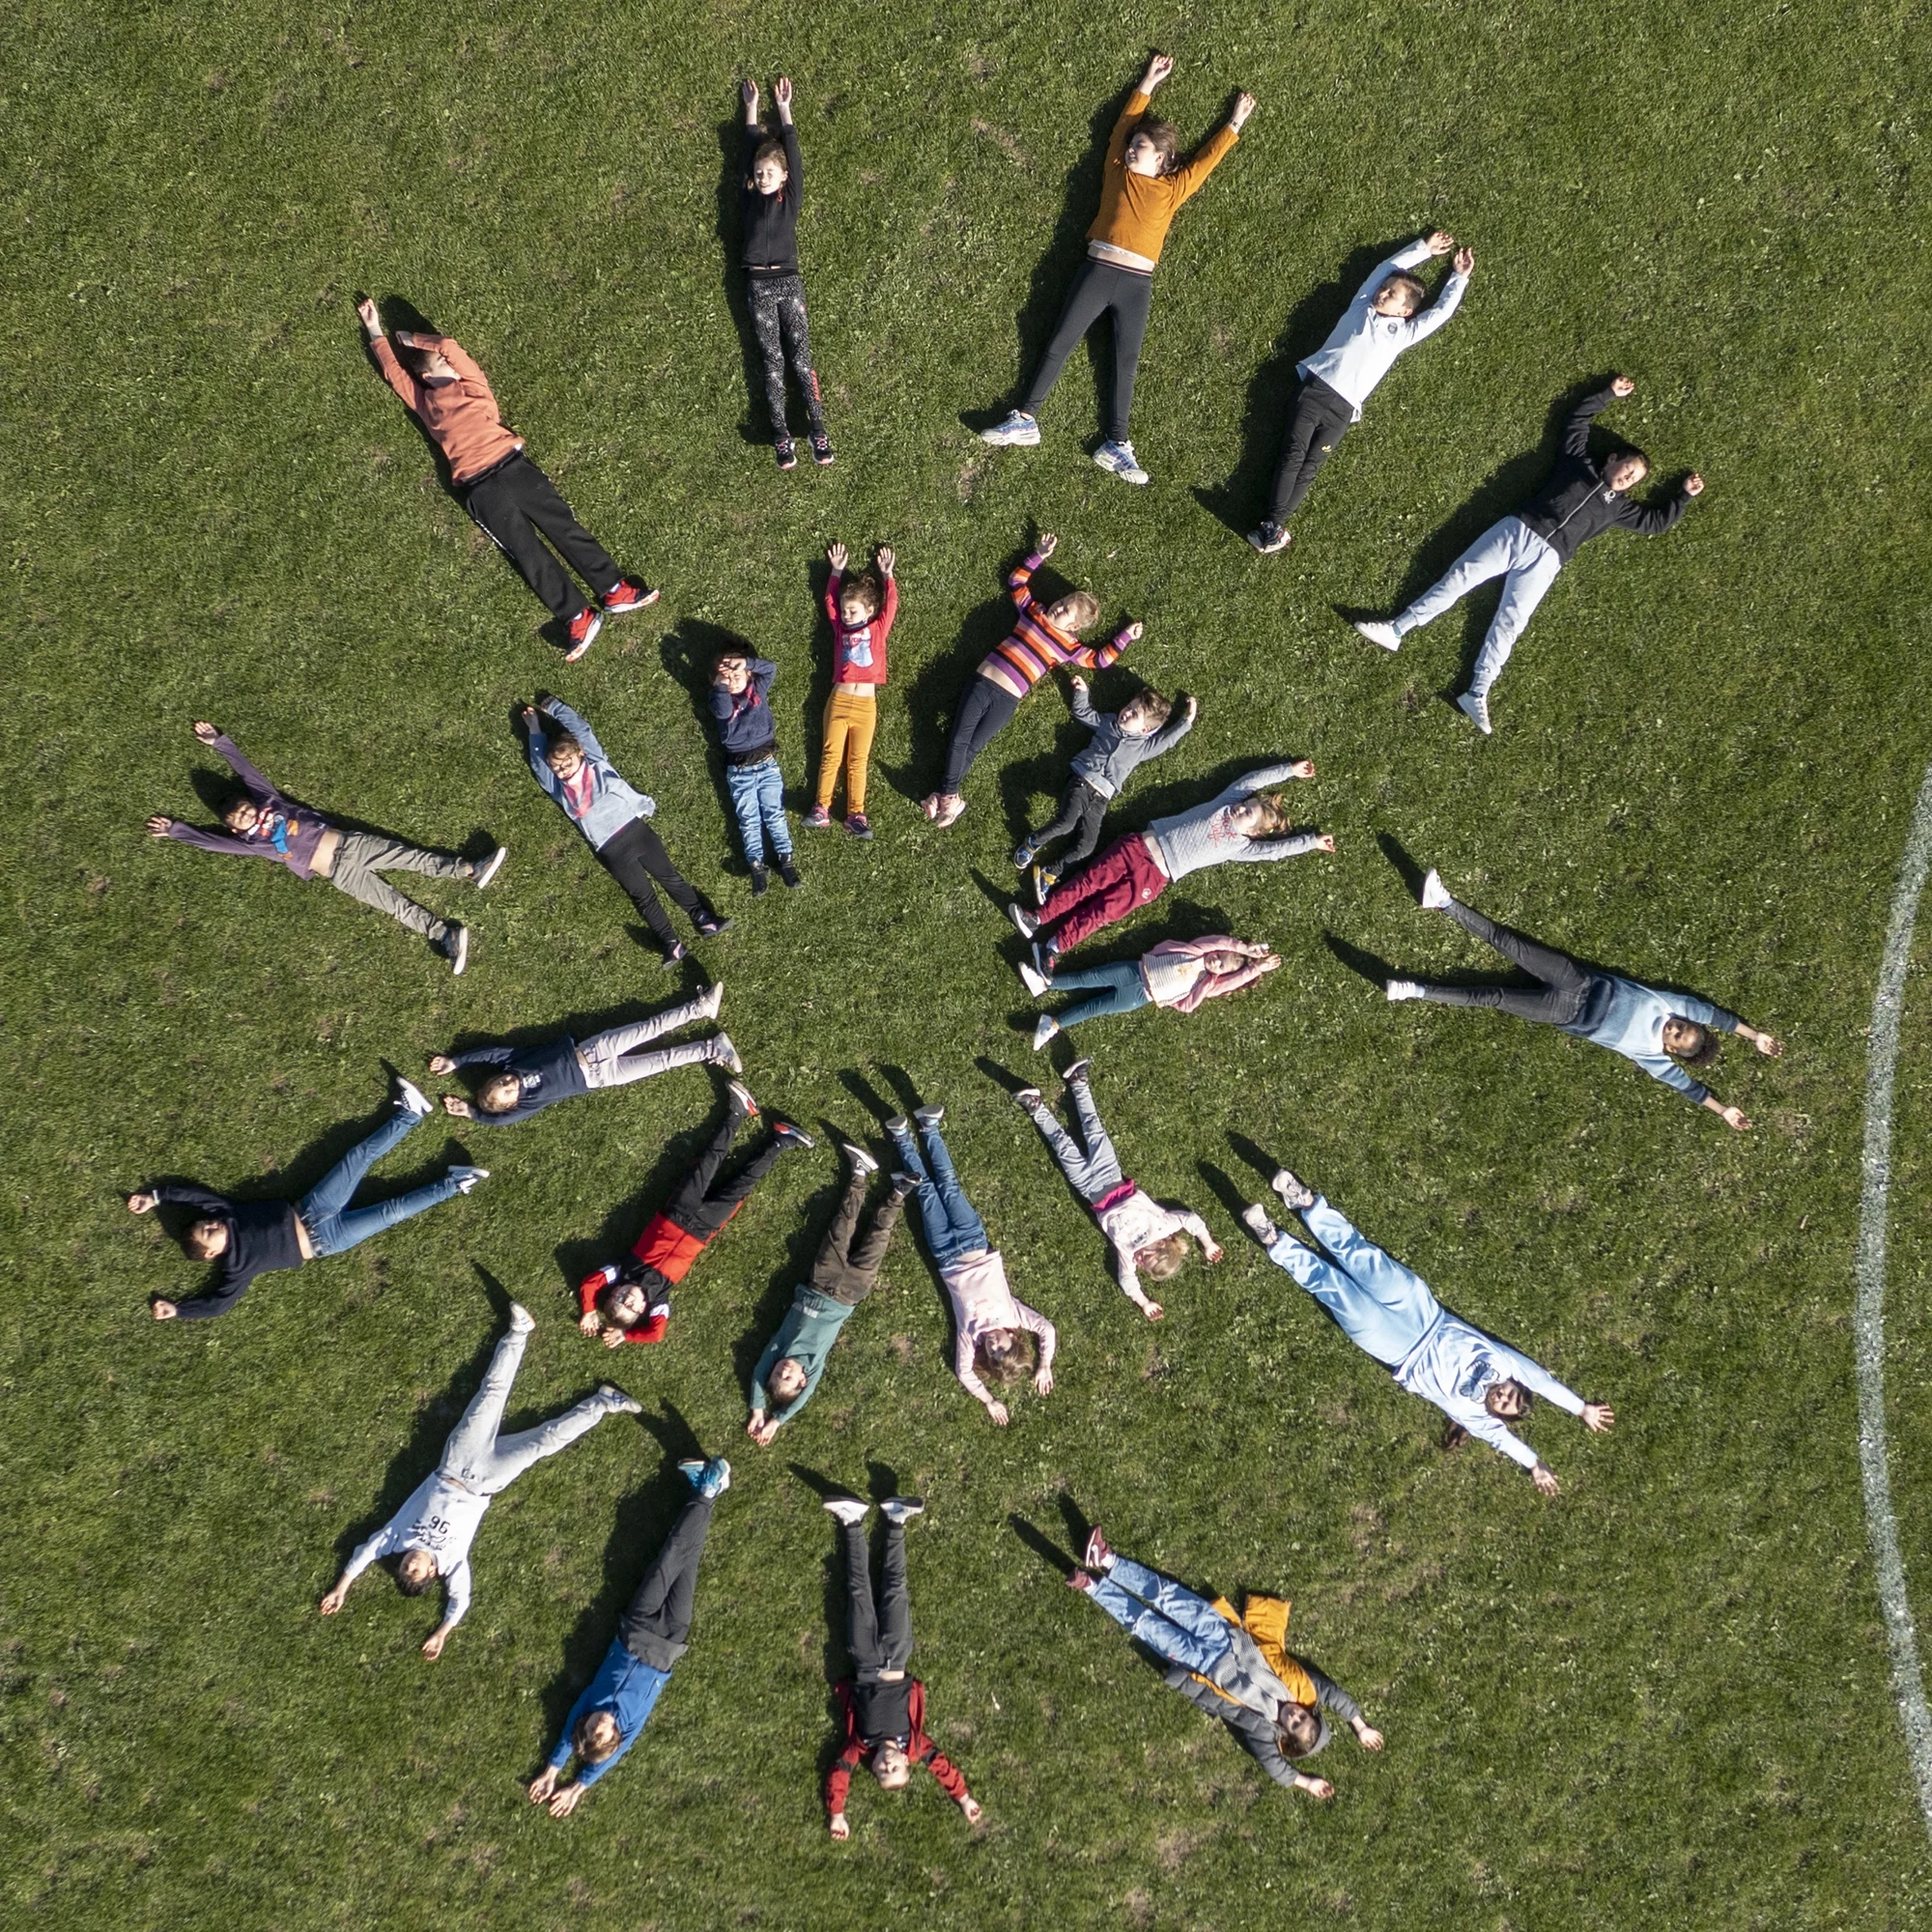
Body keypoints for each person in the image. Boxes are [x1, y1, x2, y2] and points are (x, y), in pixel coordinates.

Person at [1350, 376, 1705, 733]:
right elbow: (1577, 421)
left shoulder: (1620, 509)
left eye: (1635, 480)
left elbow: (1655, 523)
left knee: (1511, 622)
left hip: (1548, 561)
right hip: (1518, 530)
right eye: (1628, 470)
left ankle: (1477, 691)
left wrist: (1683, 497)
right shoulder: (1577, 462)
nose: (1628, 480)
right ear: (1612, 458)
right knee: (1460, 578)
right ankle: (1397, 629)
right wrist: (1607, 394)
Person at [1240, 1171, 1614, 1492]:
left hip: (1399, 1352)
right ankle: (1302, 1200)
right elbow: (1543, 1382)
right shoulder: (1503, 1364)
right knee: (1361, 1256)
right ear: (1513, 1383)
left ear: (1499, 1416)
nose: (1502, 1396)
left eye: (1504, 1406)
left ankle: (1275, 1241)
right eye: (1511, 1393)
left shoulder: (1479, 1420)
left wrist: (1534, 1464)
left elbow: (1507, 1444)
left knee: (1339, 1293)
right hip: (1425, 1313)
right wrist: (1581, 1408)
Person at [980, 53, 1254, 485]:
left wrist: (1233, 124)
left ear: (1162, 158)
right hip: (1097, 272)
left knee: (1125, 363)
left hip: (1137, 285)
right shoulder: (1115, 171)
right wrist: (1147, 83)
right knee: (1059, 343)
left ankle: (1117, 443)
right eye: (1132, 144)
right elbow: (1123, 126)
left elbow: (1205, 163)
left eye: (1140, 146)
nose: (1130, 148)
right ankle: (1026, 419)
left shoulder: (1173, 188)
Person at [320, 1303, 640, 1656]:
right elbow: (461, 1600)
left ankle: (519, 1332)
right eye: (415, 1572)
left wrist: (341, 1588)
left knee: (491, 1394)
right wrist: (442, 1632)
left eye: (404, 1569)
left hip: (454, 1463)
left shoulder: (396, 1538)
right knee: (546, 1441)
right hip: (487, 1481)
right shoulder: (453, 1564)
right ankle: (603, 1403)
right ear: (431, 1574)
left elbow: (364, 1554)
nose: (409, 1565)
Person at [355, 299, 655, 661]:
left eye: (451, 362)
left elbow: (448, 345)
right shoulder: (424, 401)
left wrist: (410, 337)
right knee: (527, 553)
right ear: (427, 375)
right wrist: (374, 331)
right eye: (442, 364)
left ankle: (614, 589)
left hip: (513, 467)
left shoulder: (473, 386)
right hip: (479, 488)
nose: (452, 364)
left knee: (564, 527)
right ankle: (578, 616)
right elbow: (394, 374)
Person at [1384, 868, 1782, 1127]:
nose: (1676, 1028)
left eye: (1677, 1036)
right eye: (1683, 1025)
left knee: (1493, 996)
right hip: (1578, 983)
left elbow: (1688, 1088)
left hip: (1563, 1012)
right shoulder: (1667, 1006)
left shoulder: (1653, 1057)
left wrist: (1723, 1110)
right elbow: (1713, 1014)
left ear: (1672, 1050)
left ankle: (1414, 991)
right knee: (1508, 942)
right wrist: (1754, 1035)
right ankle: (1443, 902)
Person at [148, 721, 501, 975]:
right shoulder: (252, 843)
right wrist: (177, 831)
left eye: (243, 807)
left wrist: (220, 742)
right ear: (233, 828)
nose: (244, 814)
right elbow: (212, 843)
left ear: (250, 803)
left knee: (410, 857)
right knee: (393, 904)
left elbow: (247, 773)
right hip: (337, 873)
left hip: (352, 844)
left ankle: (470, 870)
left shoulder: (269, 800)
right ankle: (445, 936)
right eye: (237, 818)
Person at [1065, 1526, 1383, 1799]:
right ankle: (1106, 1560)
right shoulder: (1304, 1689)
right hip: (1223, 1632)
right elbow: (1334, 1695)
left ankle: (1092, 1587)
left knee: (1145, 1625)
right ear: (1309, 1711)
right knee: (1166, 1595)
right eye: (1304, 1716)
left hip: (1200, 1664)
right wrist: (1359, 1725)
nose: (1295, 1715)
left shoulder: (1263, 1731)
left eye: (1294, 1725)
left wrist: (1306, 1782)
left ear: (1286, 1734)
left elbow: (1274, 1766)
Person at [129, 1076, 483, 1321]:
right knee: (393, 1211)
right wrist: (179, 1310)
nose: (212, 1224)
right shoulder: (237, 1268)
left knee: (357, 1158)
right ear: (211, 1253)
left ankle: (410, 1115)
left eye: (206, 1222)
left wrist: (157, 1197)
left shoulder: (228, 1212)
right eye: (208, 1232)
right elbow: (218, 1305)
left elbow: (195, 1196)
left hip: (314, 1208)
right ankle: (455, 1184)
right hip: (328, 1241)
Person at [528, 1455, 732, 1815]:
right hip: (669, 1640)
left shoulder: (590, 1705)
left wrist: (552, 1771)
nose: (600, 1723)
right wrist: (578, 1787)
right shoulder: (630, 1724)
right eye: (602, 1733)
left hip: (636, 1626)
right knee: (689, 1561)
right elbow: (612, 1755)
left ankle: (707, 1490)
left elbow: (570, 1734)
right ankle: (707, 1491)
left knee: (670, 1557)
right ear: (613, 1738)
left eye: (591, 1726)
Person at [1249, 232, 1473, 554]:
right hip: (1316, 390)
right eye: (1384, 288)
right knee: (1293, 454)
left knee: (1310, 467)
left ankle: (1273, 528)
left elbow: (1440, 313)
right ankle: (1273, 525)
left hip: (1343, 411)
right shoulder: (1361, 307)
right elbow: (1386, 267)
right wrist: (1424, 249)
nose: (1383, 292)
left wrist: (1458, 278)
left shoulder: (1404, 334)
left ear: (1405, 311)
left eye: (1392, 293)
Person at [1010, 761, 1330, 968]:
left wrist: (1310, 842)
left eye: (1248, 814)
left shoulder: (1241, 846)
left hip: (1154, 878)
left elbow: (1275, 852)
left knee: (1103, 912)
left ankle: (1054, 948)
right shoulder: (1225, 804)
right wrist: (1289, 769)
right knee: (1087, 883)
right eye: (1246, 804)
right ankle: (1038, 917)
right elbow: (1252, 780)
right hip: (1136, 848)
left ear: (1253, 832)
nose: (1241, 809)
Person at [924, 533, 1140, 829]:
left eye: (1065, 610)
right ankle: (949, 797)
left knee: (972, 747)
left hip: (1007, 700)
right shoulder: (1033, 611)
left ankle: (944, 796)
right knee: (958, 738)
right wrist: (1039, 555)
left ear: (1074, 626)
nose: (1058, 607)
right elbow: (1016, 582)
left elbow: (1101, 660)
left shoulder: (1069, 648)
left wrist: (1125, 636)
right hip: (982, 682)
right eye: (1062, 601)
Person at [577, 1081, 813, 1345]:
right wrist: (625, 1334)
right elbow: (656, 1334)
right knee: (743, 1183)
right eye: (631, 1308)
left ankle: (737, 1112)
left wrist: (589, 1310)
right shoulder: (659, 1298)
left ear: (616, 1290)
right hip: (703, 1229)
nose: (628, 1300)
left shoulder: (622, 1270)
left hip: (677, 1211)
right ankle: (779, 1141)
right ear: (641, 1310)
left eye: (619, 1299)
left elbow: (590, 1283)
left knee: (709, 1162)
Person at [521, 698, 729, 964]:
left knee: (671, 878)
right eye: (557, 768)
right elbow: (540, 768)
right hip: (609, 849)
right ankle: (671, 943)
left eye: (567, 763)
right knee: (643, 898)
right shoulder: (560, 790)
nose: (562, 770)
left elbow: (582, 730)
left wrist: (554, 708)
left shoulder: (597, 764)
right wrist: (534, 730)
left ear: (580, 753)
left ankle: (704, 918)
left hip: (637, 832)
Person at [822, 1495, 983, 1838]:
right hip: (897, 1655)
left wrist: (838, 1814)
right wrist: (963, 1797)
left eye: (882, 1772)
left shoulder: (860, 1745)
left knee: (858, 1591)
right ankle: (896, 1521)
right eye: (895, 1769)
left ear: (874, 1768)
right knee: (895, 1588)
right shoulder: (914, 1743)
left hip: (864, 1659)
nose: (887, 1765)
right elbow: (942, 1766)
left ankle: (852, 1521)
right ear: (907, 1762)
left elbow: (840, 1772)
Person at [887, 1102, 1056, 1425]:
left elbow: (963, 1371)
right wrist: (1044, 1364)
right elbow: (1046, 1329)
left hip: (945, 1252)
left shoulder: (971, 1334)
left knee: (926, 1192)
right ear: (1014, 1339)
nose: (993, 1346)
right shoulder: (1015, 1316)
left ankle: (902, 1139)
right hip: (975, 1241)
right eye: (1002, 1347)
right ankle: (929, 1128)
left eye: (992, 1354)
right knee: (949, 1184)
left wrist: (989, 1400)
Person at [1015, 1059, 1222, 1321]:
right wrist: (1207, 1243)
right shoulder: (1164, 1227)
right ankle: (1078, 1082)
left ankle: (1036, 1107)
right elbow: (1190, 1220)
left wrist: (1144, 1302)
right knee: (1093, 1128)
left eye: (1144, 1266)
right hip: (1111, 1174)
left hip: (1088, 1189)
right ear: (1161, 1246)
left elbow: (1127, 1282)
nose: (1140, 1261)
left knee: (1062, 1145)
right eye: (1147, 1259)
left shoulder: (1128, 1254)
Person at [747, 1144, 915, 1441]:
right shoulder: (814, 1364)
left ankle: (860, 1174)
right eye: (788, 1378)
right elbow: (803, 1396)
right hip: (850, 1292)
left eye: (777, 1374)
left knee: (842, 1226)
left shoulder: (779, 1348)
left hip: (820, 1281)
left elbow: (760, 1372)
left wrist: (758, 1410)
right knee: (878, 1239)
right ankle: (898, 1192)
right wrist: (777, 1421)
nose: (783, 1371)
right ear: (802, 1380)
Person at [428, 986, 737, 1127]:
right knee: (663, 1061)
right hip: (602, 1078)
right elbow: (502, 1121)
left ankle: (701, 1007)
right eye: (507, 1092)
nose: (509, 1084)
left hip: (594, 1049)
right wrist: (472, 1113)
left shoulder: (516, 1061)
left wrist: (457, 1061)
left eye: (500, 1082)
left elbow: (491, 1052)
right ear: (512, 1104)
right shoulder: (529, 1103)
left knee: (651, 1028)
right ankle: (712, 1048)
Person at [1011, 677, 1196, 899]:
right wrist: (1082, 692)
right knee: (1067, 822)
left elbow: (1167, 741)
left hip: (1101, 799)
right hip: (1082, 781)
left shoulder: (1144, 748)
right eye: (1129, 706)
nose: (1126, 712)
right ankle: (1032, 842)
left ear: (1145, 729)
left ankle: (1051, 873)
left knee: (1087, 846)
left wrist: (1187, 721)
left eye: (1134, 714)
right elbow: (1083, 713)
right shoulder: (1108, 723)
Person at [739, 77, 831, 470]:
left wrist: (783, 109)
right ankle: (781, 435)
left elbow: (791, 151)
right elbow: (748, 153)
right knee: (773, 362)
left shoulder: (790, 199)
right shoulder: (749, 196)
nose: (762, 178)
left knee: (801, 358)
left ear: (784, 177)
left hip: (789, 282)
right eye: (759, 173)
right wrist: (750, 110)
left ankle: (817, 428)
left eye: (769, 173)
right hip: (758, 286)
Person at [1020, 934, 1280, 1047]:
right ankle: (1045, 984)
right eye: (1220, 955)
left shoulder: (1207, 984)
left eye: (1222, 966)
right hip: (1133, 971)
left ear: (1222, 975)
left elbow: (1228, 985)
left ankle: (1053, 1024)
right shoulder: (1197, 951)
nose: (1217, 961)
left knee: (1094, 1008)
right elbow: (1218, 941)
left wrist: (1254, 969)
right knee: (1088, 977)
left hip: (1138, 997)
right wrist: (1244, 949)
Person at [804, 542, 897, 839]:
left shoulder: (878, 629)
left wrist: (888, 576)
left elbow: (892, 605)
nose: (846, 614)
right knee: (830, 755)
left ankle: (856, 814)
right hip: (840, 700)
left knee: (858, 761)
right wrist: (836, 572)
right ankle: (821, 808)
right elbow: (830, 603)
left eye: (853, 610)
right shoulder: (840, 630)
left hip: (866, 707)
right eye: (845, 610)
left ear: (869, 611)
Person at [708, 645, 801, 895]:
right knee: (749, 820)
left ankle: (786, 859)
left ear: (748, 674)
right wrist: (720, 685)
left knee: (774, 813)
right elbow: (723, 712)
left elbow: (771, 669)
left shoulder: (757, 689)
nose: (732, 680)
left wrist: (746, 662)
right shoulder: (720, 700)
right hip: (740, 772)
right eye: (726, 677)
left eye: (737, 674)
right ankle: (756, 866)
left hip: (767, 765)